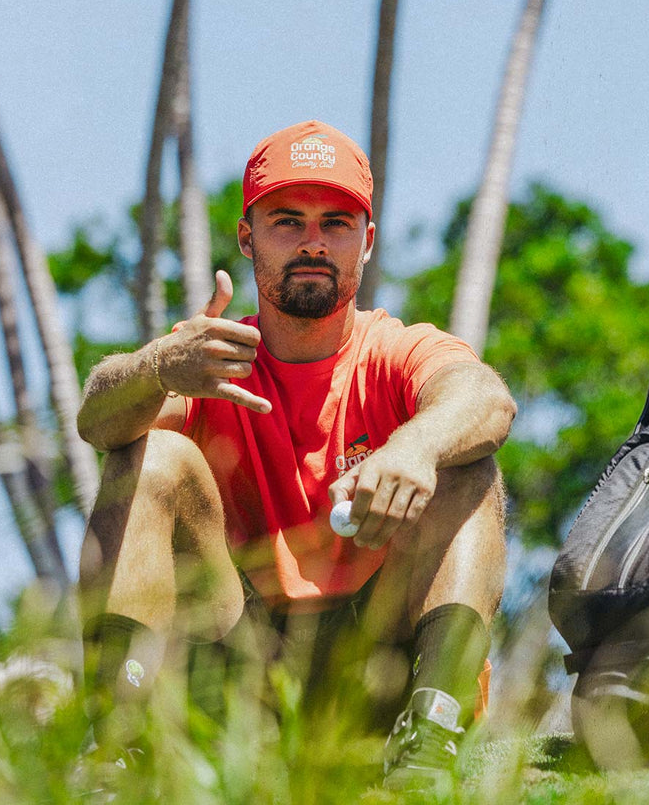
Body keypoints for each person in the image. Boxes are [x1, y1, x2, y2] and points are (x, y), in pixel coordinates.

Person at [74, 120, 515, 791]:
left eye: (336, 223)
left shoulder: (397, 349)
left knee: (467, 466)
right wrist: (157, 367)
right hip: (237, 680)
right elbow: (97, 422)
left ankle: (431, 740)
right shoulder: (205, 358)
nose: (313, 242)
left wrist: (415, 446)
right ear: (247, 237)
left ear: (366, 241)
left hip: (381, 673)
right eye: (287, 221)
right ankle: (113, 751)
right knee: (149, 454)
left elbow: (486, 398)